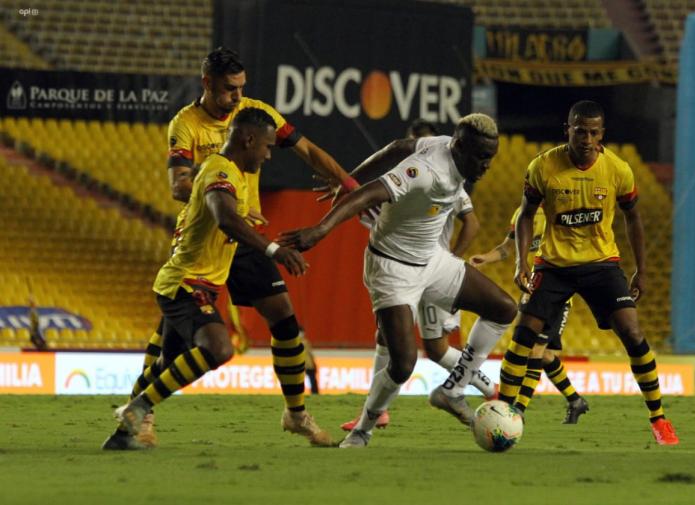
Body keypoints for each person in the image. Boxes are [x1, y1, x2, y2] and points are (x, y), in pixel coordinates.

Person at [130, 47, 357, 448]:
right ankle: (140, 415)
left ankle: (296, 413)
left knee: (284, 318)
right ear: (207, 83)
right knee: (173, 342)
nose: (236, 97)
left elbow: (307, 150)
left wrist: (349, 185)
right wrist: (218, 189)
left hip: (246, 237)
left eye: (240, 88)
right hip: (208, 235)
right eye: (227, 90)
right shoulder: (185, 125)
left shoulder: (255, 111)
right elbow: (177, 186)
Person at [279, 113, 517, 448]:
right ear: (460, 147)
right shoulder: (424, 172)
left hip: (433, 262)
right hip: (393, 268)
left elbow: (397, 146)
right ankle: (362, 431)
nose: (486, 165)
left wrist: (349, 178)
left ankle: (453, 389)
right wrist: (321, 228)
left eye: (490, 158)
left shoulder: (445, 148)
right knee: (403, 363)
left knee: (504, 308)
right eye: (481, 157)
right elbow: (369, 194)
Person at [103, 108, 312, 449]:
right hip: (186, 283)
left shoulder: (228, 173)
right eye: (267, 146)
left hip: (194, 282)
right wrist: (275, 250)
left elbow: (220, 211)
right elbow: (225, 219)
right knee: (218, 347)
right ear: (249, 140)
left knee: (166, 363)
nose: (269, 154)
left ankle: (123, 436)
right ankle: (137, 409)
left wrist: (242, 213)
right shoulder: (220, 171)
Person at [502, 100, 678, 445]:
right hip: (553, 266)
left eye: (592, 132)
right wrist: (521, 261)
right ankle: (505, 413)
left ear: (601, 135)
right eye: (579, 130)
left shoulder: (617, 170)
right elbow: (525, 215)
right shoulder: (543, 166)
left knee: (632, 332)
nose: (585, 138)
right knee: (523, 335)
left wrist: (641, 269)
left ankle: (659, 419)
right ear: (567, 129)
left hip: (601, 265)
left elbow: (634, 217)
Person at [340, 119, 496, 432]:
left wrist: (452, 259)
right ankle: (378, 412)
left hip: (432, 269)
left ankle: (488, 386)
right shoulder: (406, 178)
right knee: (386, 337)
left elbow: (472, 222)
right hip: (403, 268)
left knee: (435, 349)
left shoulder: (447, 177)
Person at [470, 206, 589, 423]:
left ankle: (519, 409)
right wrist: (485, 258)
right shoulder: (522, 212)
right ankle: (576, 401)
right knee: (543, 355)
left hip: (557, 293)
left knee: (535, 350)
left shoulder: (563, 211)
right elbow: (508, 247)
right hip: (531, 291)